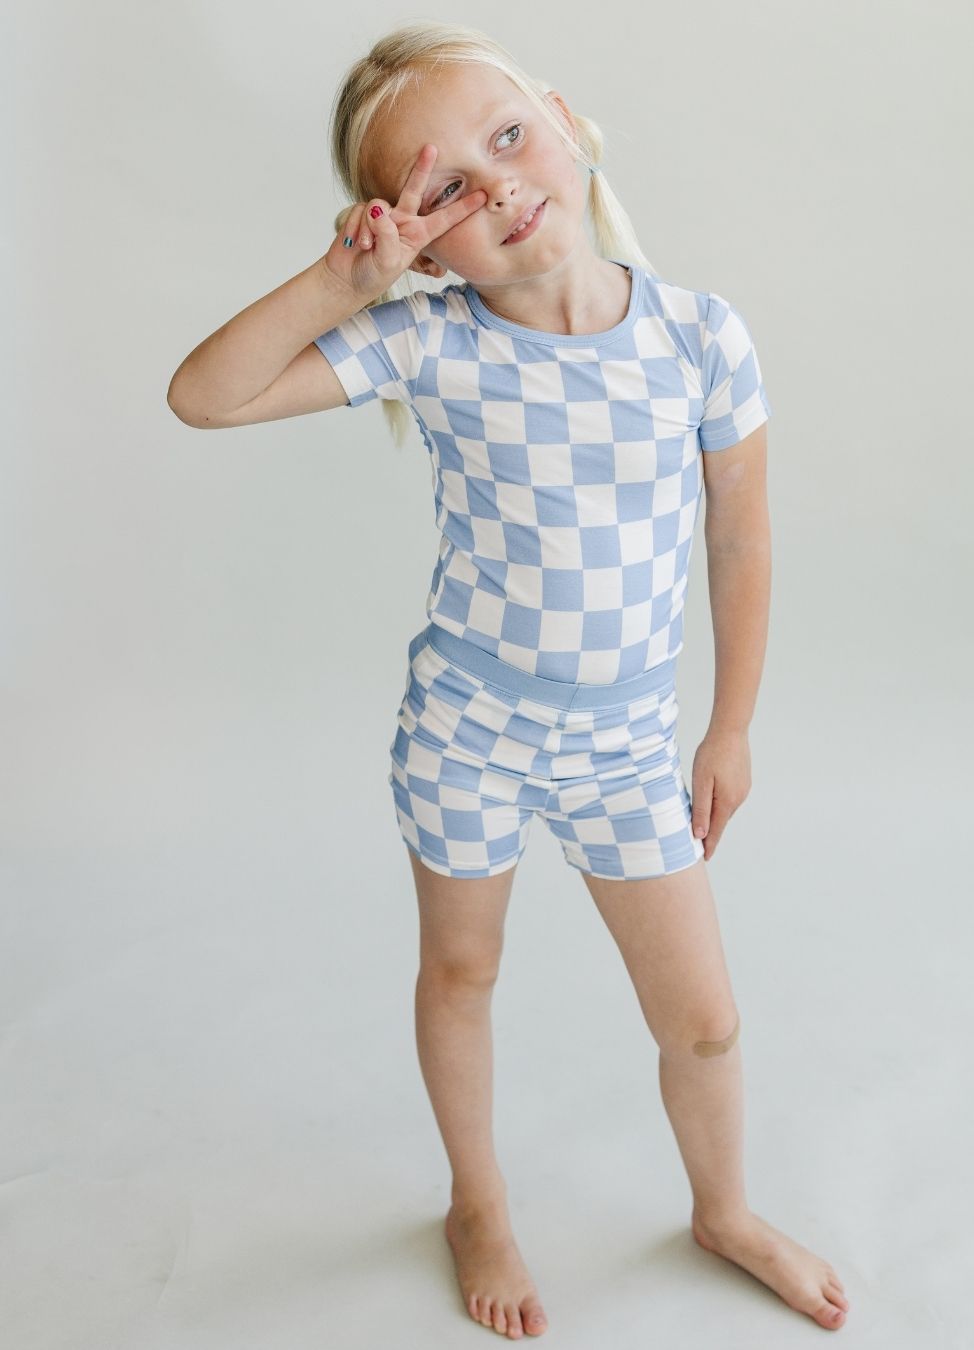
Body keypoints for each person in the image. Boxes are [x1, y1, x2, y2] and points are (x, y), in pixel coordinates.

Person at [167, 19, 850, 1341]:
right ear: (412, 234)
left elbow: (743, 534)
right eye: (445, 191)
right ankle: (475, 1198)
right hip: (469, 728)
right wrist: (343, 283)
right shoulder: (433, 342)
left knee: (703, 1021)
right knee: (461, 976)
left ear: (570, 121)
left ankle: (723, 1205)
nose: (495, 185)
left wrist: (731, 726)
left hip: (628, 745)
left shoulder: (701, 339)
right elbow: (205, 395)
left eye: (506, 136)